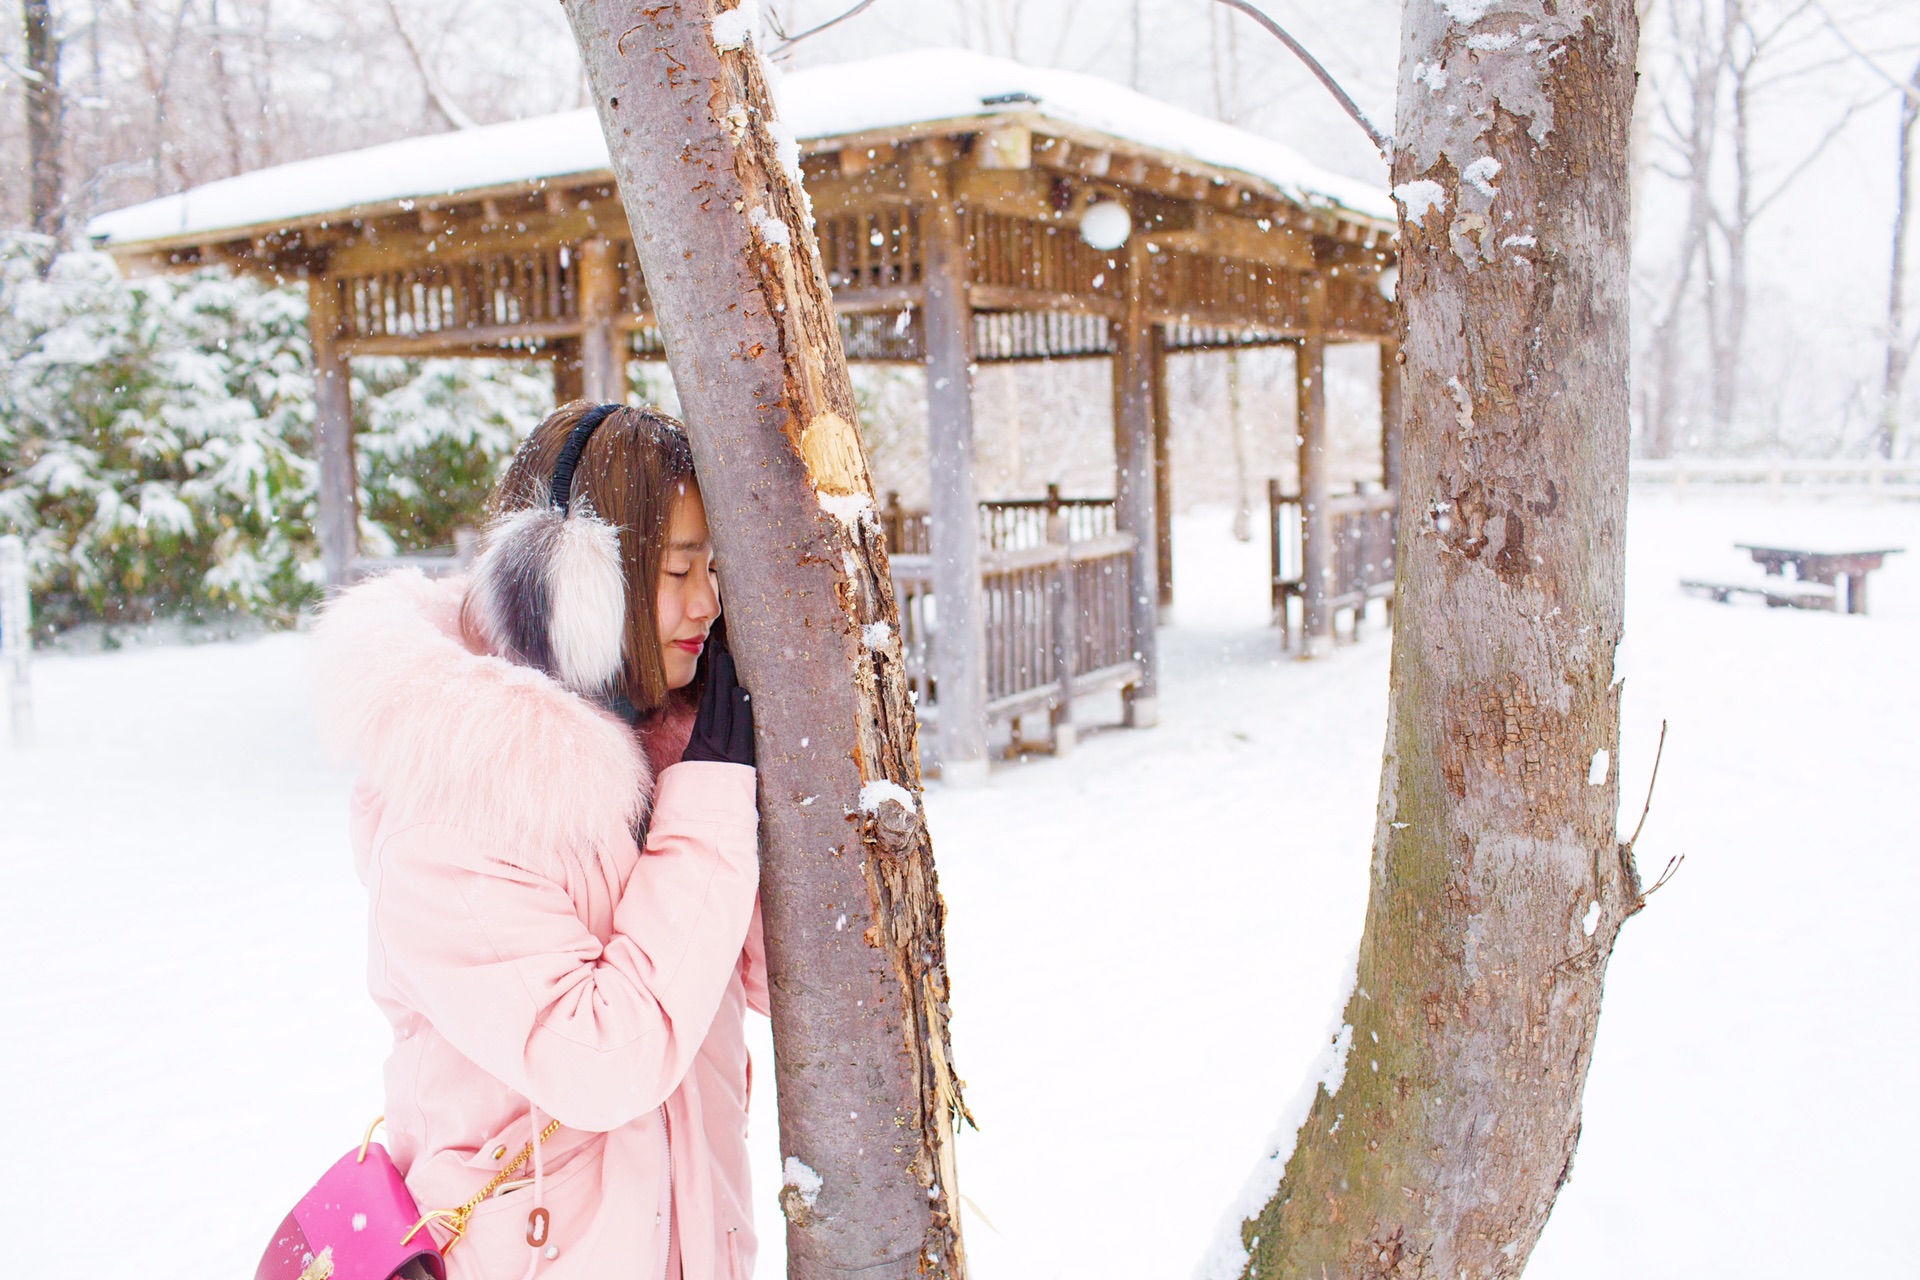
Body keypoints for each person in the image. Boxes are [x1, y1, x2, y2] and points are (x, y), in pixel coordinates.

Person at [312, 401, 766, 1280]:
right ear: (574, 581)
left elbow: (770, 978)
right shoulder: (452, 810)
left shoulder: (653, 749)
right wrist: (710, 794)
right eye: (679, 569)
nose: (708, 602)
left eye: (714, 567)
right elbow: (607, 1059)